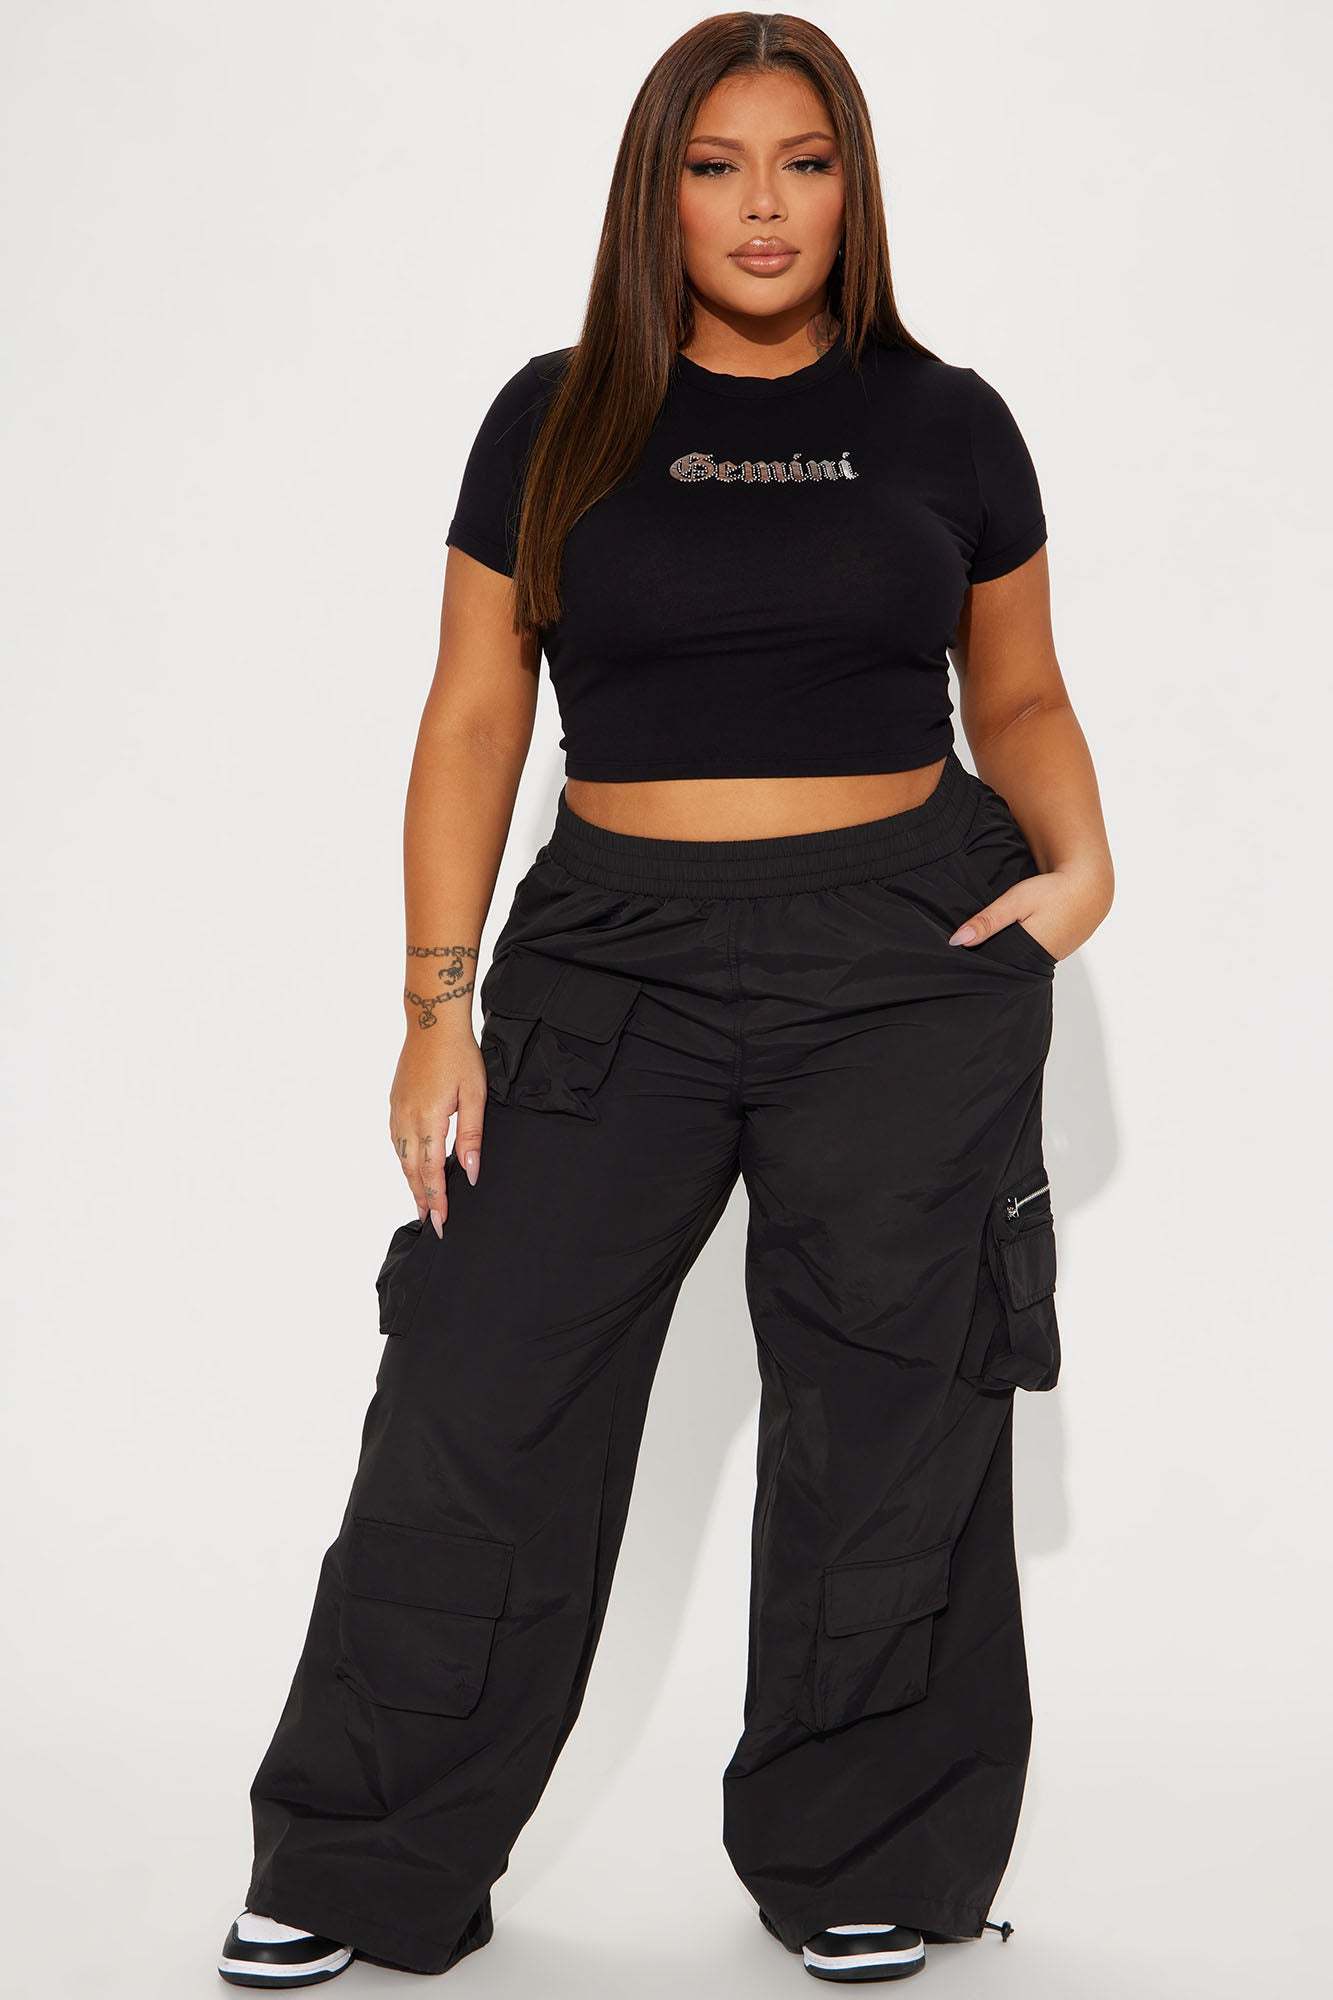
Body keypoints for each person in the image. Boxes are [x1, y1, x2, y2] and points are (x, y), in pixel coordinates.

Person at [216, 13, 1113, 1989]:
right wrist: (434, 1003)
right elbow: (474, 714)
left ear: (852, 185)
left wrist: (1082, 863)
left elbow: (1019, 689)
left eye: (804, 161)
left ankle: (865, 1850)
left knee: (892, 1401)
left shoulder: (948, 421)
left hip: (902, 956)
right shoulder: (552, 417)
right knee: (478, 1383)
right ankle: (362, 1859)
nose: (762, 205)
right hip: (608, 954)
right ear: (659, 192)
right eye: (716, 166)